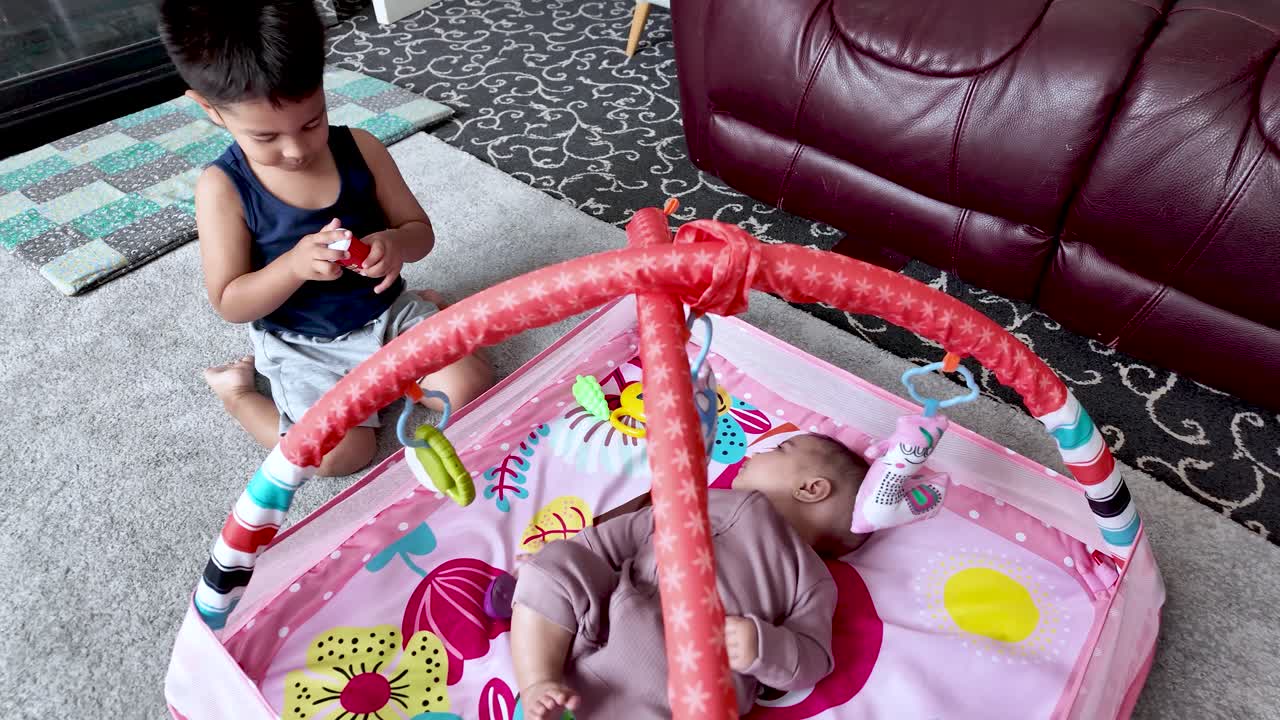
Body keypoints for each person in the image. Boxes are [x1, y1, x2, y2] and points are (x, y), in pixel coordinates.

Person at [158, 0, 491, 476]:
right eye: (265, 137)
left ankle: (406, 354)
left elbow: (419, 233)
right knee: (335, 457)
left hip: (385, 313)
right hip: (304, 343)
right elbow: (231, 302)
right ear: (208, 108)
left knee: (470, 384)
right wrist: (292, 266)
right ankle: (236, 393)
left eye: (311, 122)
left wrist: (394, 244)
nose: (295, 149)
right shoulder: (222, 188)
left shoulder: (362, 148)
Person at [509, 433, 871, 719]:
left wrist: (763, 647)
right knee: (554, 565)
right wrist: (566, 557)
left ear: (811, 488)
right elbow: (624, 535)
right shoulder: (702, 500)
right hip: (610, 610)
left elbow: (813, 659)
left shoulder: (811, 577)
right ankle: (539, 680)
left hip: (678, 686)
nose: (754, 453)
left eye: (780, 448)